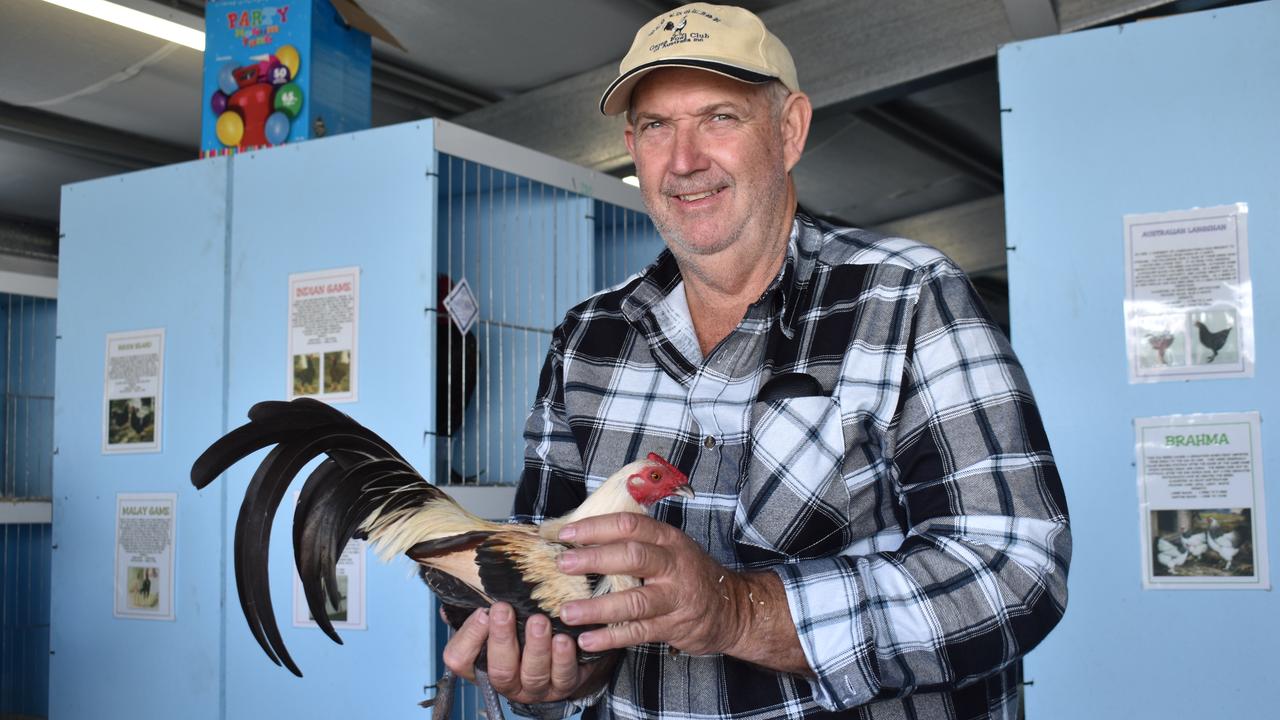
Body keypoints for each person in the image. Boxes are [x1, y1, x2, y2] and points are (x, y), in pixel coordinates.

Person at [443, 3, 1071, 718]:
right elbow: (552, 585)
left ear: (790, 130)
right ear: (632, 144)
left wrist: (738, 611)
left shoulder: (907, 296)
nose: (683, 161)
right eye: (657, 126)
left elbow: (1017, 568)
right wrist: (555, 670)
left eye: (719, 117)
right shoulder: (588, 336)